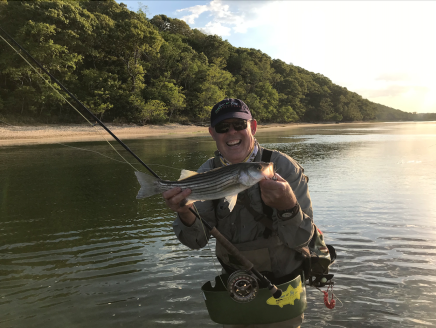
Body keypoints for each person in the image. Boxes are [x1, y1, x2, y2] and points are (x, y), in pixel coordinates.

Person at [163, 98, 314, 328]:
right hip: (236, 292)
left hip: (284, 292)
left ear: (252, 127)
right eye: (223, 127)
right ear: (212, 133)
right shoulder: (204, 175)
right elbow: (196, 241)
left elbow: (302, 239)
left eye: (239, 125)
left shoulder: (284, 168)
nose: (231, 132)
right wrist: (185, 213)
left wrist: (287, 206)